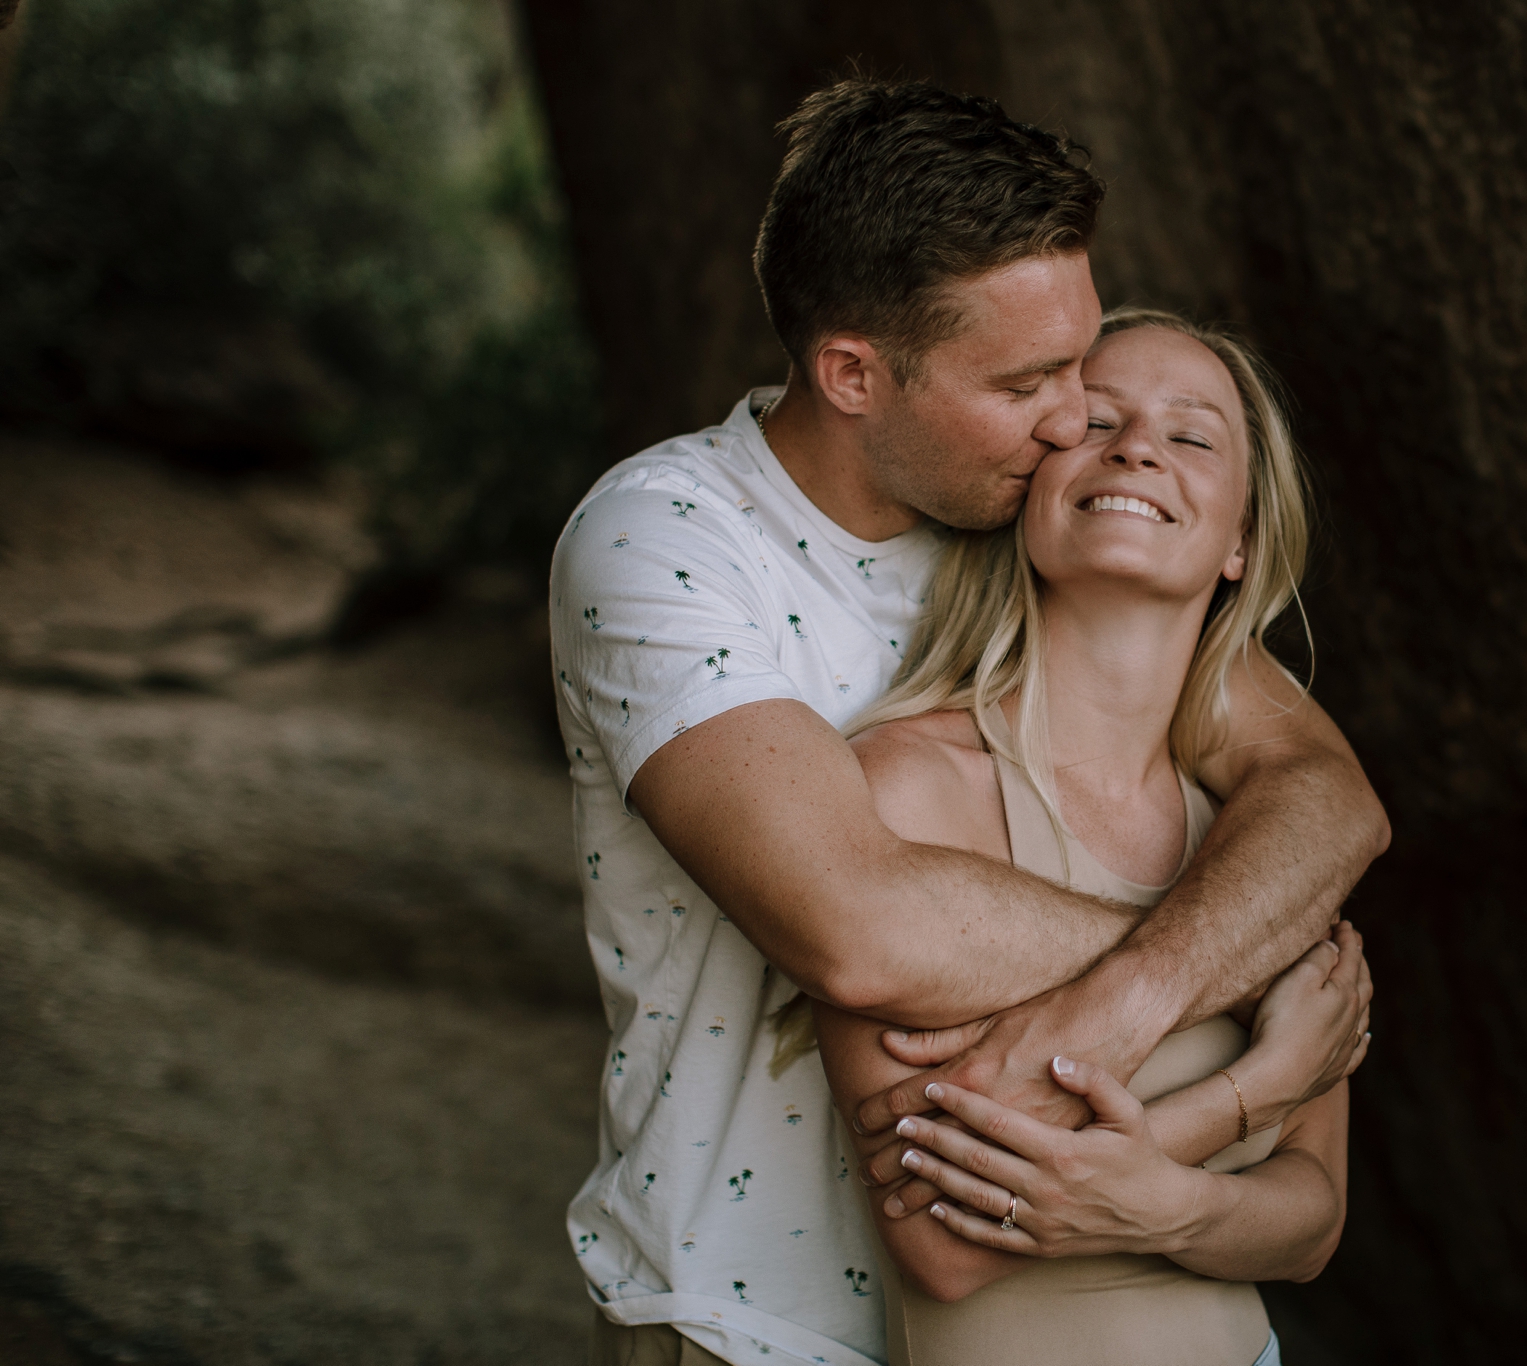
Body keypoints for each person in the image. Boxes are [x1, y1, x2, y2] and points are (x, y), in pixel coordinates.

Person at [550, 80, 1387, 1366]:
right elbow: (860, 923)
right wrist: (1246, 991)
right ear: (851, 374)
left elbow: (1321, 796)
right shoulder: (669, 542)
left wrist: (1152, 1001)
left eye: (1080, 358)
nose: (1074, 422)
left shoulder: (1019, 539)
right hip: (758, 1323)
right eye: (1031, 380)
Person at [812, 307, 1372, 1366]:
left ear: (1241, 538)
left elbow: (1310, 1221)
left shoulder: (1266, 845)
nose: (1137, 448)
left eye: (1192, 434)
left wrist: (1157, 1204)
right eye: (1094, 420)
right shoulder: (907, 788)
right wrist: (1248, 1092)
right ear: (1030, 491)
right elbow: (941, 1246)